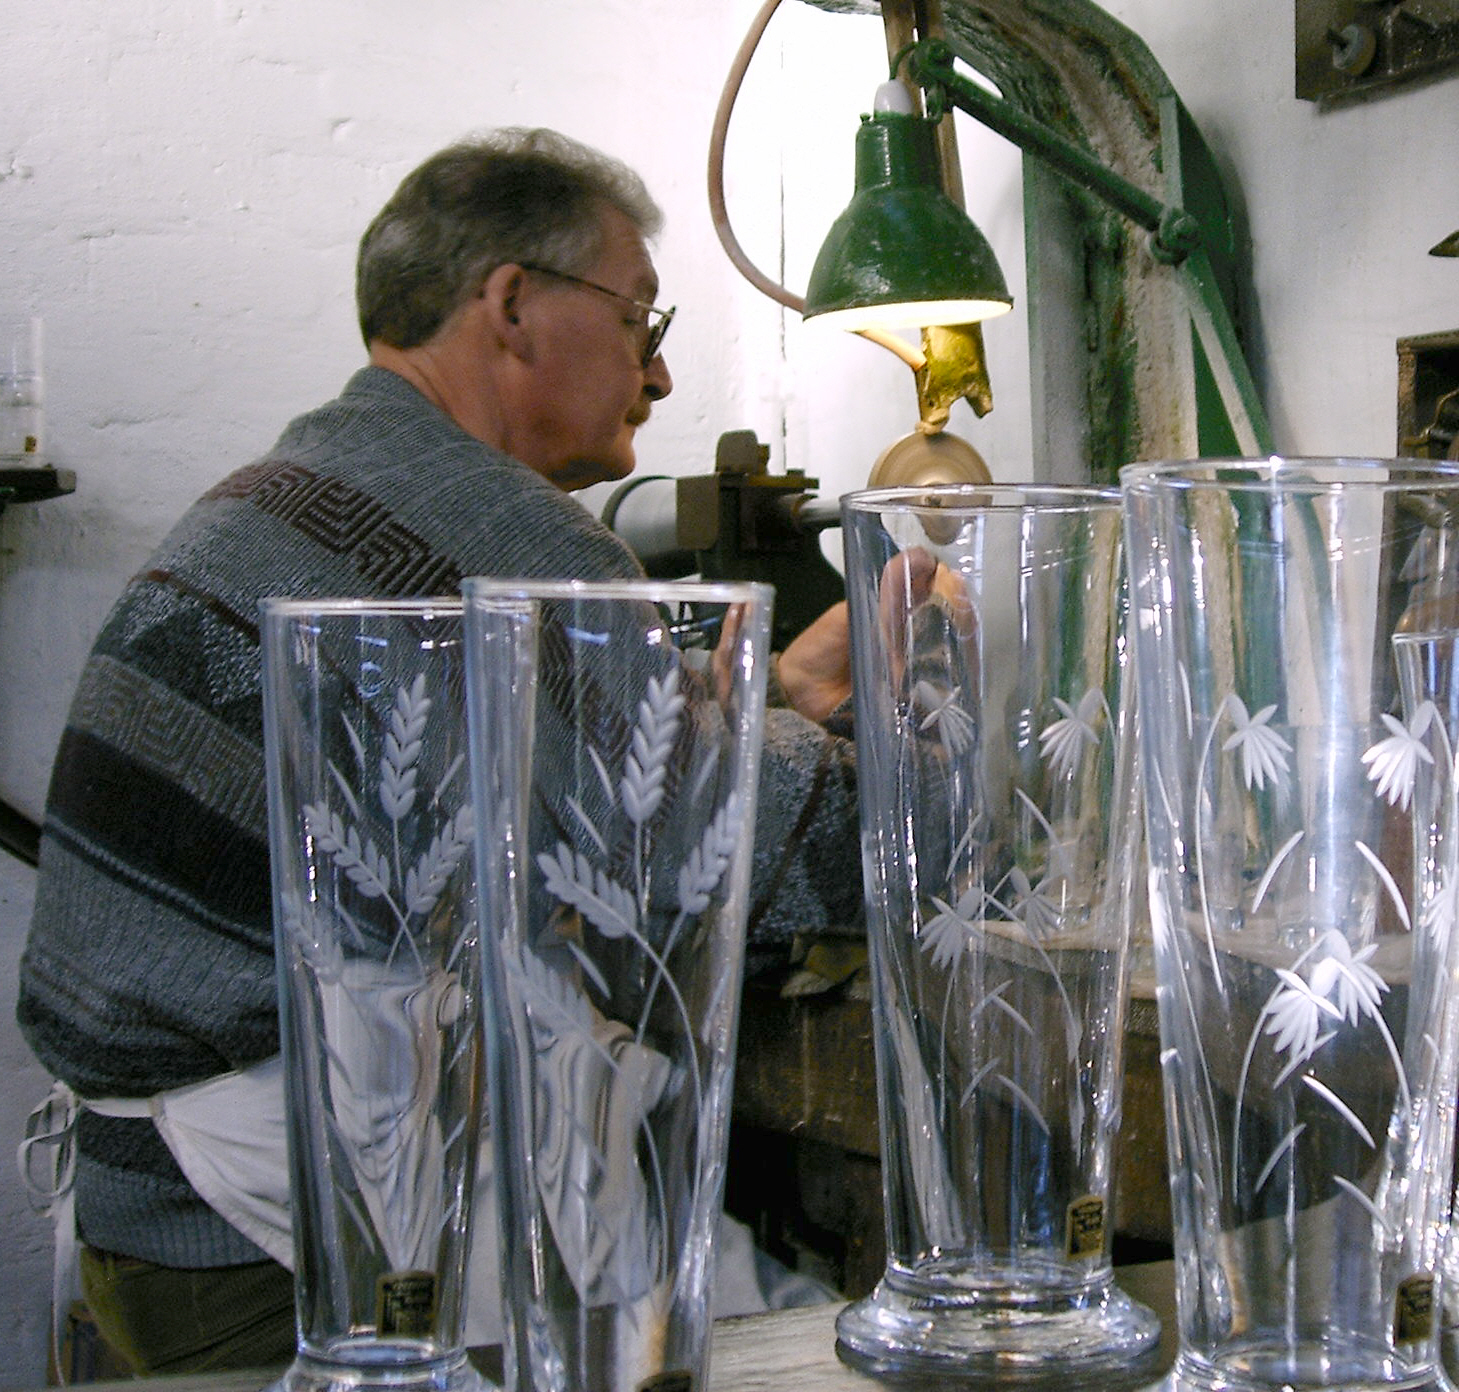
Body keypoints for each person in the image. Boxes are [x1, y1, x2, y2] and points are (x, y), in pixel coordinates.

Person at [15, 127, 862, 1376]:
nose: (662, 375)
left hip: (149, 1216)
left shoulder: (317, 476)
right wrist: (910, 716)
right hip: (271, 1247)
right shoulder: (482, 528)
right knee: (788, 1347)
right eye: (641, 318)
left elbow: (565, 769)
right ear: (514, 303)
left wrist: (762, 699)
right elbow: (787, 854)